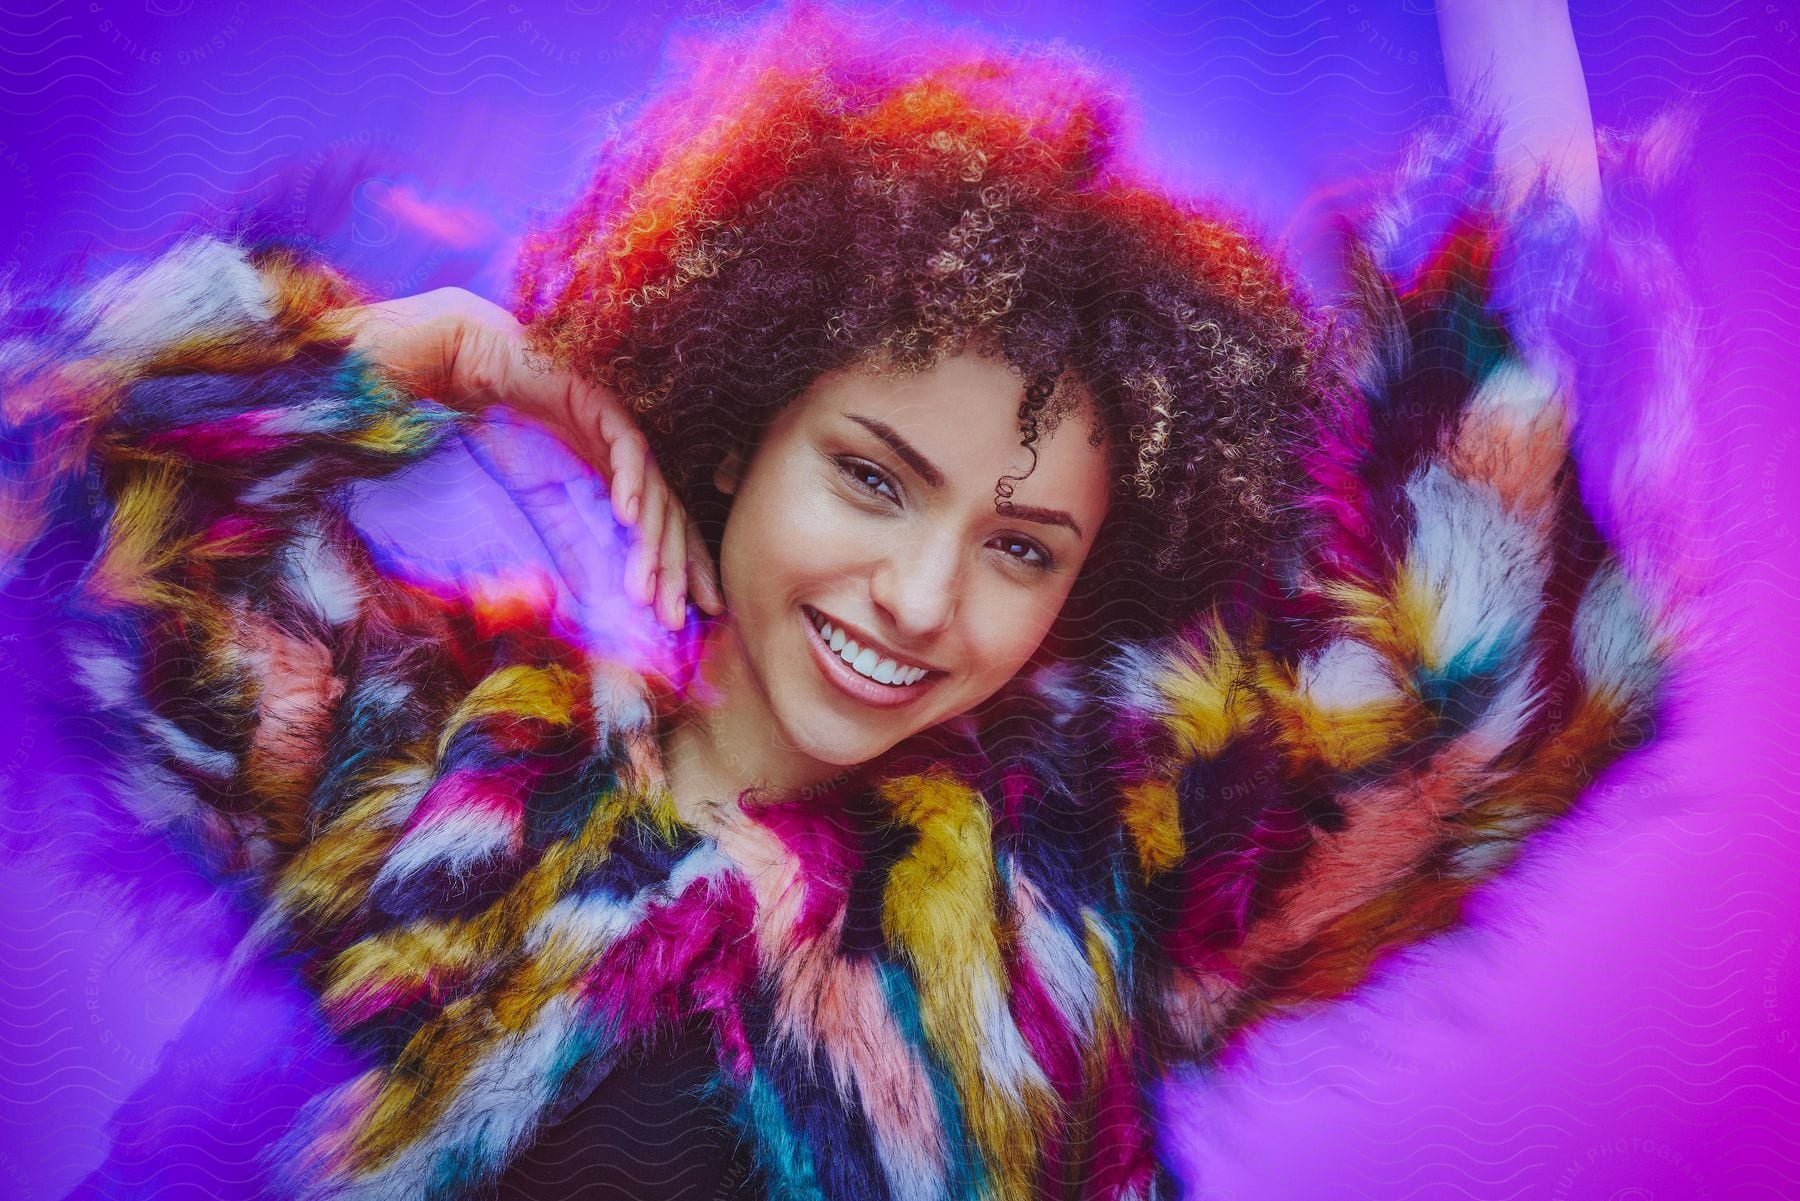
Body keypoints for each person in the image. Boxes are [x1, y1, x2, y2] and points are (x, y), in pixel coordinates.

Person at [0, 1, 1699, 1198]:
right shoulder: (420, 760)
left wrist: (1521, 172)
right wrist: (415, 357)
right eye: (875, 477)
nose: (922, 594)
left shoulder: (1090, 893)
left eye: (1024, 547)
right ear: (738, 438)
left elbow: (1467, 658)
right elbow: (65, 502)